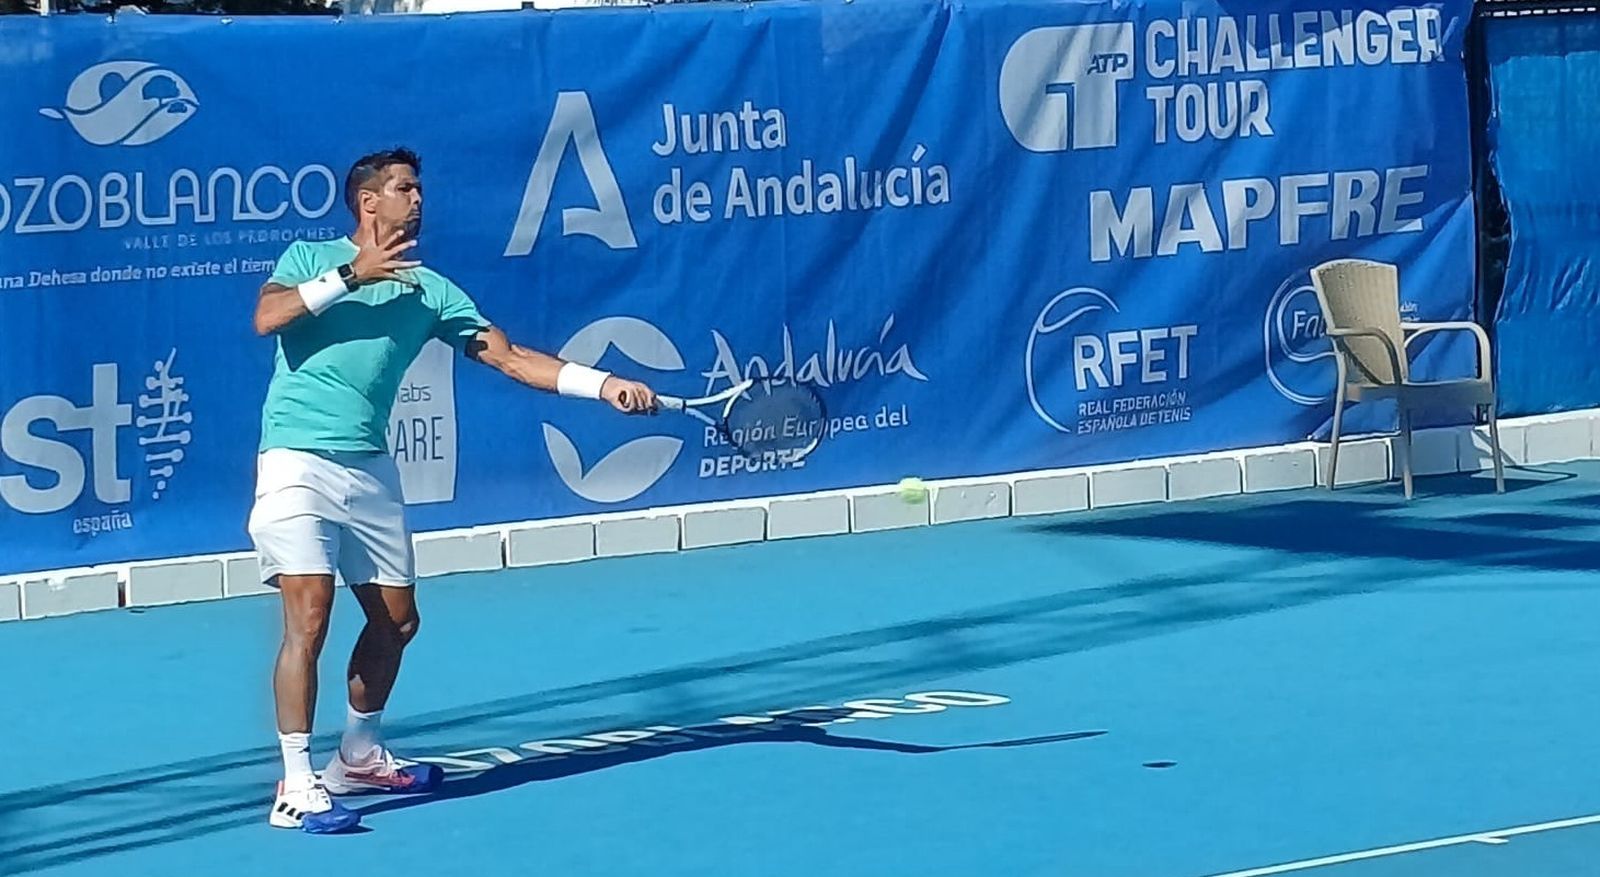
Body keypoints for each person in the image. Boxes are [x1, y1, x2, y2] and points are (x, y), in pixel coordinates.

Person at [247, 147, 657, 833]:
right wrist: (352, 275)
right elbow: (268, 316)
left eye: (420, 190)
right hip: (296, 459)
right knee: (310, 613)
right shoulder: (308, 256)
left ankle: (359, 753)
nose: (418, 200)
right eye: (405, 188)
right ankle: (295, 783)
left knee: (397, 620)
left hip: (369, 464)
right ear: (367, 201)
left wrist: (603, 384)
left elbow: (512, 355)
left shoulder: (431, 291)